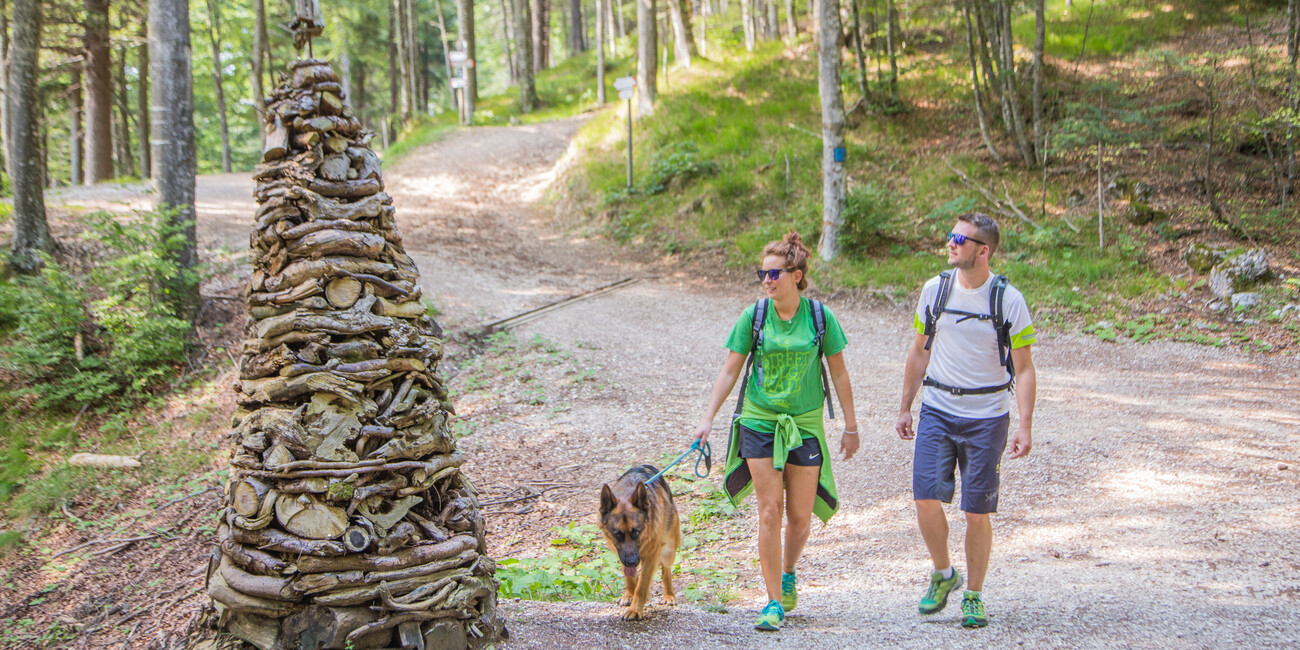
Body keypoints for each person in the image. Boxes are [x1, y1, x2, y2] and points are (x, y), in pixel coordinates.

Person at [691, 231, 859, 632]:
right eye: (762, 274)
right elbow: (730, 370)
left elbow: (839, 373)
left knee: (800, 517)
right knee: (770, 511)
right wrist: (707, 417)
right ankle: (772, 602)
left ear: (796, 276)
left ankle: (787, 571)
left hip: (804, 424)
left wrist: (851, 426)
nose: (766, 281)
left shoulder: (820, 318)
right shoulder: (754, 316)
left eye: (774, 274)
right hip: (759, 419)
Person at [895, 212, 1038, 629]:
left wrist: (1025, 424)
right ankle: (944, 573)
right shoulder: (935, 290)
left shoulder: (1008, 300)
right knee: (925, 497)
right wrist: (906, 405)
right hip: (938, 409)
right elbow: (919, 350)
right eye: (951, 236)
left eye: (961, 239)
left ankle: (973, 595)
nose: (951, 243)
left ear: (983, 250)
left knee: (977, 510)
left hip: (987, 417)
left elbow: (1024, 369)